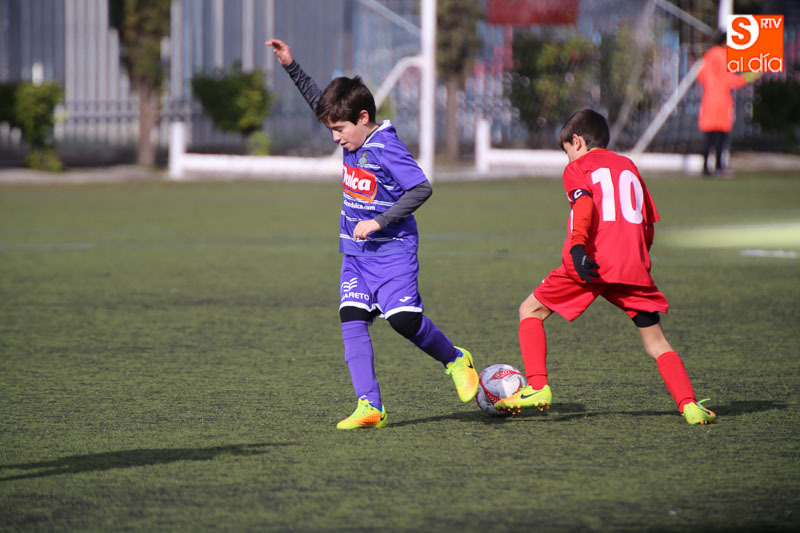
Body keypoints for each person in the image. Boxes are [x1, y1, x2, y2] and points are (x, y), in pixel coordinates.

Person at [265, 38, 478, 429]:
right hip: (356, 254)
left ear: (363, 117)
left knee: (403, 321)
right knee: (352, 317)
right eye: (332, 129)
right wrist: (291, 65)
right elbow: (320, 102)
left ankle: (455, 359)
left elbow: (421, 188)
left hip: (392, 250)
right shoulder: (353, 135)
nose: (335, 138)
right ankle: (370, 405)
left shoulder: (385, 147)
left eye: (339, 129)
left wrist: (380, 221)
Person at [493, 108, 716, 425]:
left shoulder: (578, 167)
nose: (568, 159)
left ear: (577, 141)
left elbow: (584, 203)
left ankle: (538, 388)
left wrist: (578, 246)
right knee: (656, 342)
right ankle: (690, 405)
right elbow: (648, 222)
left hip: (591, 262)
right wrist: (639, 258)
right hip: (632, 266)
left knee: (530, 310)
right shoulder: (629, 167)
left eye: (567, 151)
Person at [697, 33, 750, 177]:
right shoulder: (724, 56)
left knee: (708, 137)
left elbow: (700, 75)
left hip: (708, 99)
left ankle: (705, 168)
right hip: (722, 100)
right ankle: (719, 167)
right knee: (721, 136)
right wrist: (748, 76)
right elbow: (731, 81)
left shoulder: (708, 55)